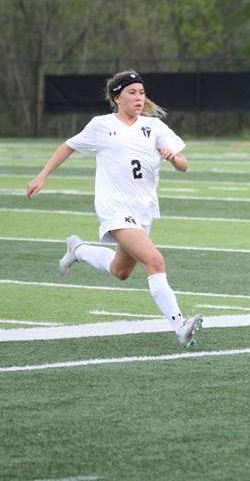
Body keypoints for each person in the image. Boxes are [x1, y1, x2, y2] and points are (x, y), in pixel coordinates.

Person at [26, 70, 203, 348]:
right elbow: (68, 146)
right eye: (132, 92)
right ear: (116, 97)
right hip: (114, 207)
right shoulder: (101, 125)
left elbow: (184, 165)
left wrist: (173, 158)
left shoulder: (154, 127)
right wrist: (42, 175)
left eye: (141, 93)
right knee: (155, 261)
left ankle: (78, 250)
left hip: (142, 209)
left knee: (120, 271)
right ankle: (180, 325)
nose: (138, 98)